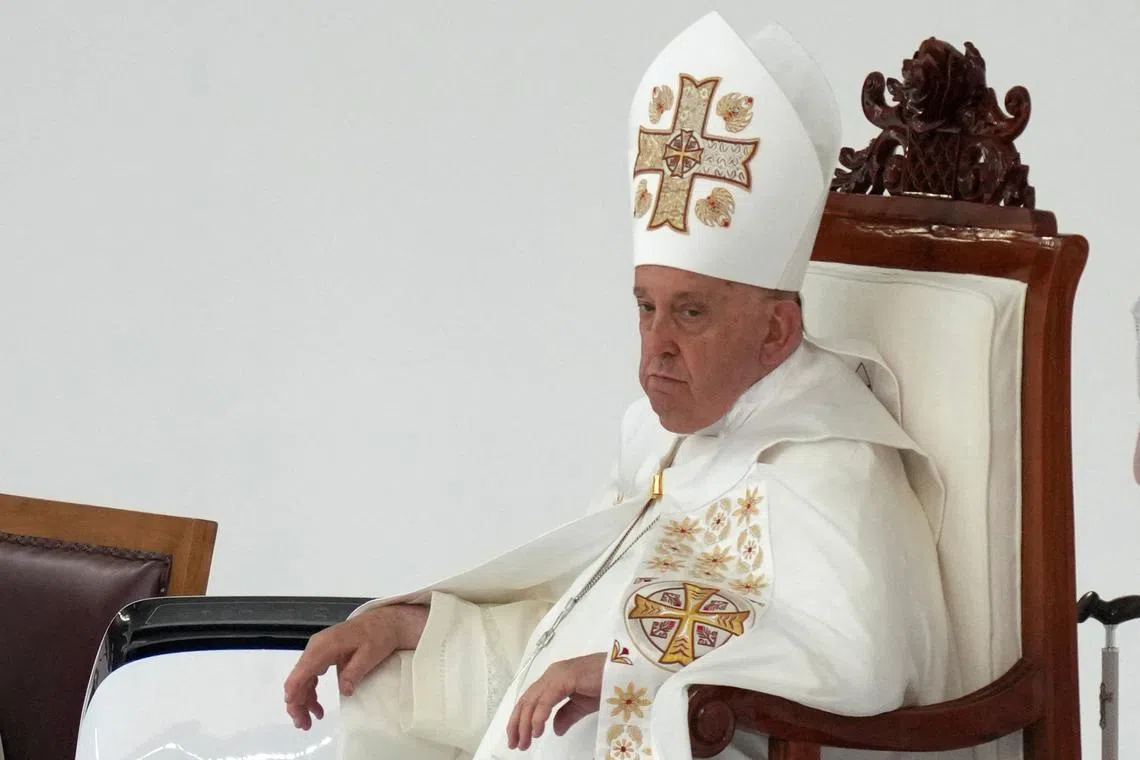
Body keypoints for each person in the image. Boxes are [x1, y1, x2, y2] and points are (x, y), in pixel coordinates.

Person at [283, 12, 959, 759]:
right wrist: (412, 628)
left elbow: (861, 668)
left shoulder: (833, 465)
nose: (657, 349)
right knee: (380, 697)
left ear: (775, 333)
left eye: (691, 313)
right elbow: (572, 627)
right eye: (646, 308)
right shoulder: (666, 439)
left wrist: (633, 677)